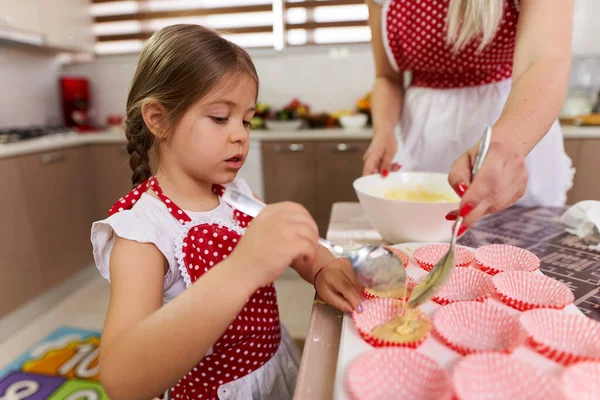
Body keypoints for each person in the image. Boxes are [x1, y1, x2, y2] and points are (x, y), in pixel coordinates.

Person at [90, 24, 362, 400]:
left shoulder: (235, 194)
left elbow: (293, 245)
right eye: (220, 118)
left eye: (246, 120)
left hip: (273, 369)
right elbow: (122, 380)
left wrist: (321, 265)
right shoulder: (143, 233)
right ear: (158, 119)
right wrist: (244, 268)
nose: (240, 135)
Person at [362, 0, 575, 233]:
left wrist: (506, 143)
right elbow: (387, 79)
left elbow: (544, 60)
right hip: (421, 141)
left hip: (514, 126)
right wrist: (383, 131)